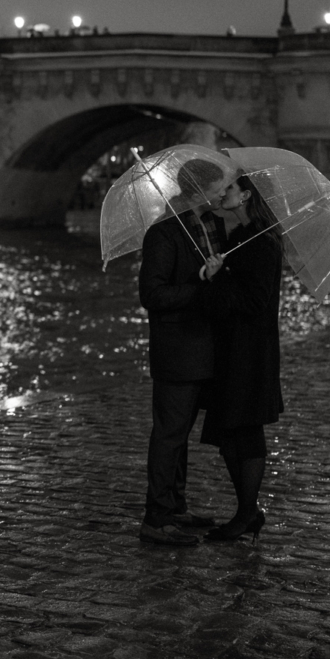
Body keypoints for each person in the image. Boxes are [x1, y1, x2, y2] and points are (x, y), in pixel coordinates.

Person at [137, 158, 230, 546]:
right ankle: (156, 518)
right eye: (218, 188)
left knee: (181, 435)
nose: (223, 193)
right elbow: (152, 295)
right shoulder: (164, 233)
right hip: (177, 349)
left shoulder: (211, 225)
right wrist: (201, 284)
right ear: (198, 191)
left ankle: (175, 506)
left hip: (203, 346)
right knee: (169, 434)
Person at [199, 174, 285, 542]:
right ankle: (246, 511)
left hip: (250, 352)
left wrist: (221, 280)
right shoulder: (238, 240)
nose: (223, 192)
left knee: (245, 432)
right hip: (231, 349)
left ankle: (247, 513)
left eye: (230, 188)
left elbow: (255, 302)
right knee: (229, 432)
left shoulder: (263, 244)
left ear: (246, 195)